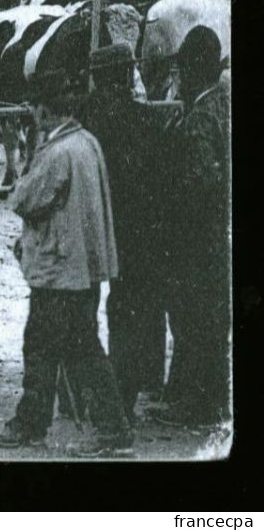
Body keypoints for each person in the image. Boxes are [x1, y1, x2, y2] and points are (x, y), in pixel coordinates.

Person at [0, 54, 134, 456]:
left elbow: (24, 199)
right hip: (83, 268)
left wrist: (23, 176)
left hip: (58, 267)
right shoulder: (87, 142)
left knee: (43, 346)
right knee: (81, 346)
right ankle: (111, 429)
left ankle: (36, 424)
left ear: (45, 110)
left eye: (34, 107)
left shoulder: (56, 153)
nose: (32, 114)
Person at [80, 42, 170, 422]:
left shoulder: (85, 118)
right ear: (125, 74)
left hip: (91, 226)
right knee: (131, 309)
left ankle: (84, 394)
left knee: (81, 308)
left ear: (98, 79)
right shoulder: (147, 119)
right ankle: (129, 390)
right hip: (139, 230)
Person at [149, 26, 230, 430]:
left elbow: (199, 186)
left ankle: (197, 406)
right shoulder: (225, 105)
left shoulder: (198, 120)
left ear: (195, 71)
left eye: (181, 71)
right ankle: (204, 399)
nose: (177, 79)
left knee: (194, 321)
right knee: (211, 322)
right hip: (217, 240)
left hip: (196, 242)